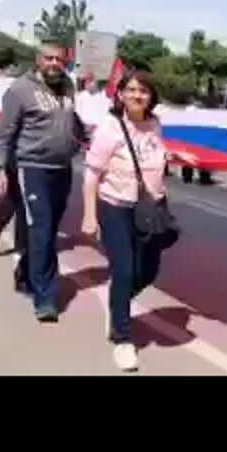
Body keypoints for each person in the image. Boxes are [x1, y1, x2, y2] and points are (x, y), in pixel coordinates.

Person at [80, 71, 173, 372]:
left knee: (148, 271)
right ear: (120, 94)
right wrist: (89, 214)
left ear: (151, 96)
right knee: (124, 268)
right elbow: (92, 174)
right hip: (115, 207)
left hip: (150, 208)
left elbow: (156, 155)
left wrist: (174, 157)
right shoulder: (110, 129)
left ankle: (117, 298)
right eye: (131, 90)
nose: (137, 96)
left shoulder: (155, 124)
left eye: (143, 91)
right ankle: (122, 337)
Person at [0, 43, 84, 323]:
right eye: (49, 58)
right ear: (38, 60)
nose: (55, 63)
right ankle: (46, 298)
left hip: (62, 169)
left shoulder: (68, 86)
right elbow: (3, 133)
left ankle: (25, 274)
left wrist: (80, 137)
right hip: (31, 168)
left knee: (46, 229)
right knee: (41, 230)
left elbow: (67, 118)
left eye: (60, 59)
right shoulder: (20, 90)